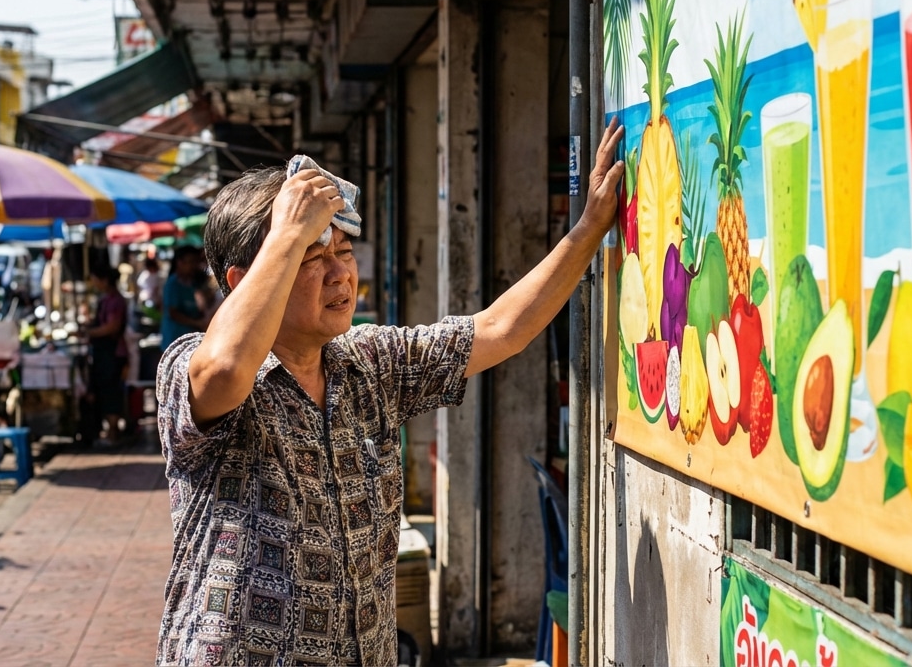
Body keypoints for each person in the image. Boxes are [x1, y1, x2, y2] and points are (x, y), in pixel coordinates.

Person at [154, 122, 625, 666]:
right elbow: (223, 370)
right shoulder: (187, 365)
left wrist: (589, 228)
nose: (340, 275)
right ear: (243, 280)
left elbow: (501, 330)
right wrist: (286, 233)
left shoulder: (370, 362)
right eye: (312, 257)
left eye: (344, 251)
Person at [83, 265, 128, 447]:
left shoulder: (115, 301)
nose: (94, 284)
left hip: (113, 353)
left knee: (111, 392)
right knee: (105, 391)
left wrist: (89, 332)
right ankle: (110, 431)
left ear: (105, 280)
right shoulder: (105, 300)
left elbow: (112, 327)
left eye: (95, 280)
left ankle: (113, 433)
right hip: (105, 352)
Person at [160, 246, 207, 349]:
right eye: (191, 262)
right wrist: (197, 323)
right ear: (179, 262)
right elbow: (173, 313)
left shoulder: (193, 284)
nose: (194, 266)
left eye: (196, 262)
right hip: (174, 341)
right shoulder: (173, 284)